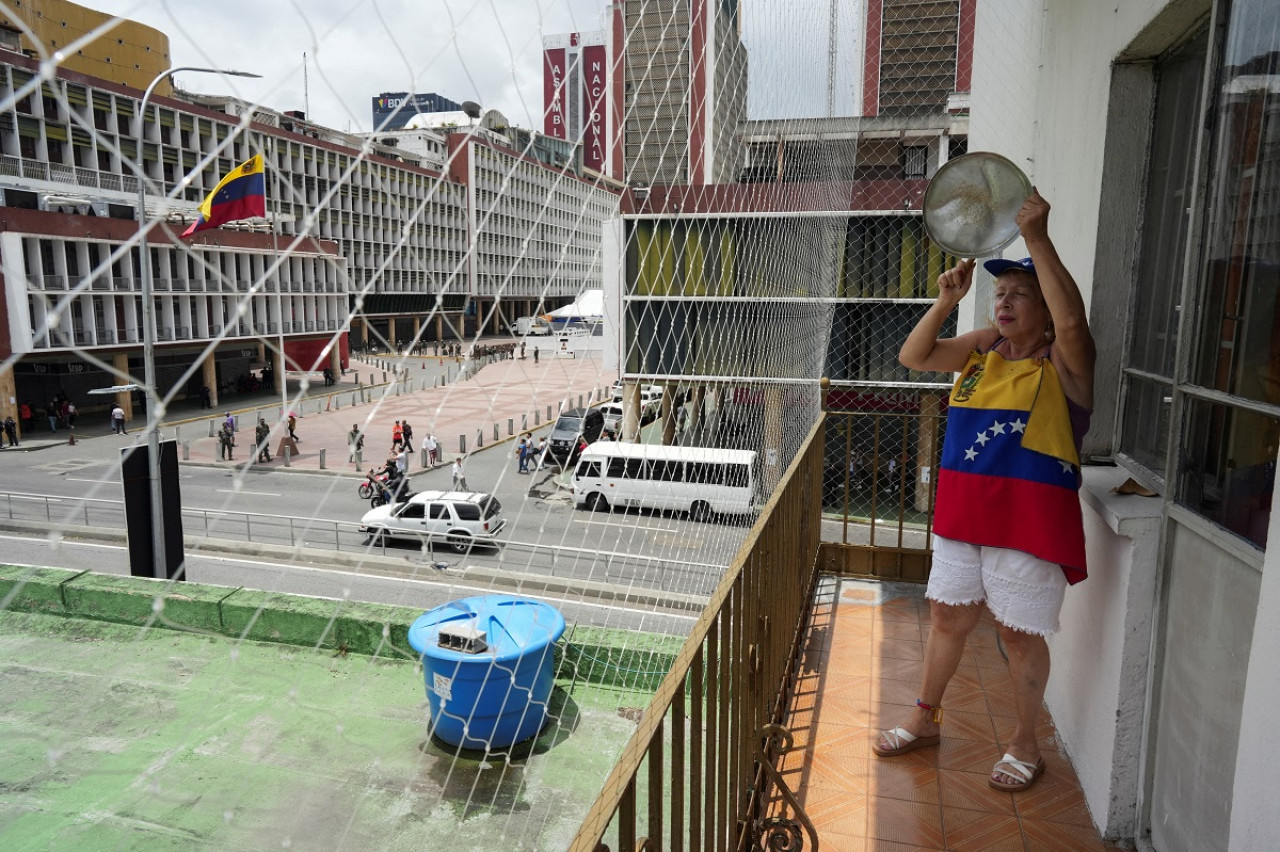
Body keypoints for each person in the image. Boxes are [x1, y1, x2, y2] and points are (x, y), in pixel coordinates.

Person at [873, 191, 1095, 795]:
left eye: (1019, 294)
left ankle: (1026, 744)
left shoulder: (1066, 362)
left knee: (1018, 635)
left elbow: (1074, 322)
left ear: (1045, 312)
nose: (1003, 300)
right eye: (999, 293)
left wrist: (1038, 239)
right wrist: (946, 300)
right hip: (963, 516)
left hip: (1028, 521)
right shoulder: (980, 351)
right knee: (947, 618)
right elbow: (913, 355)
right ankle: (924, 716)